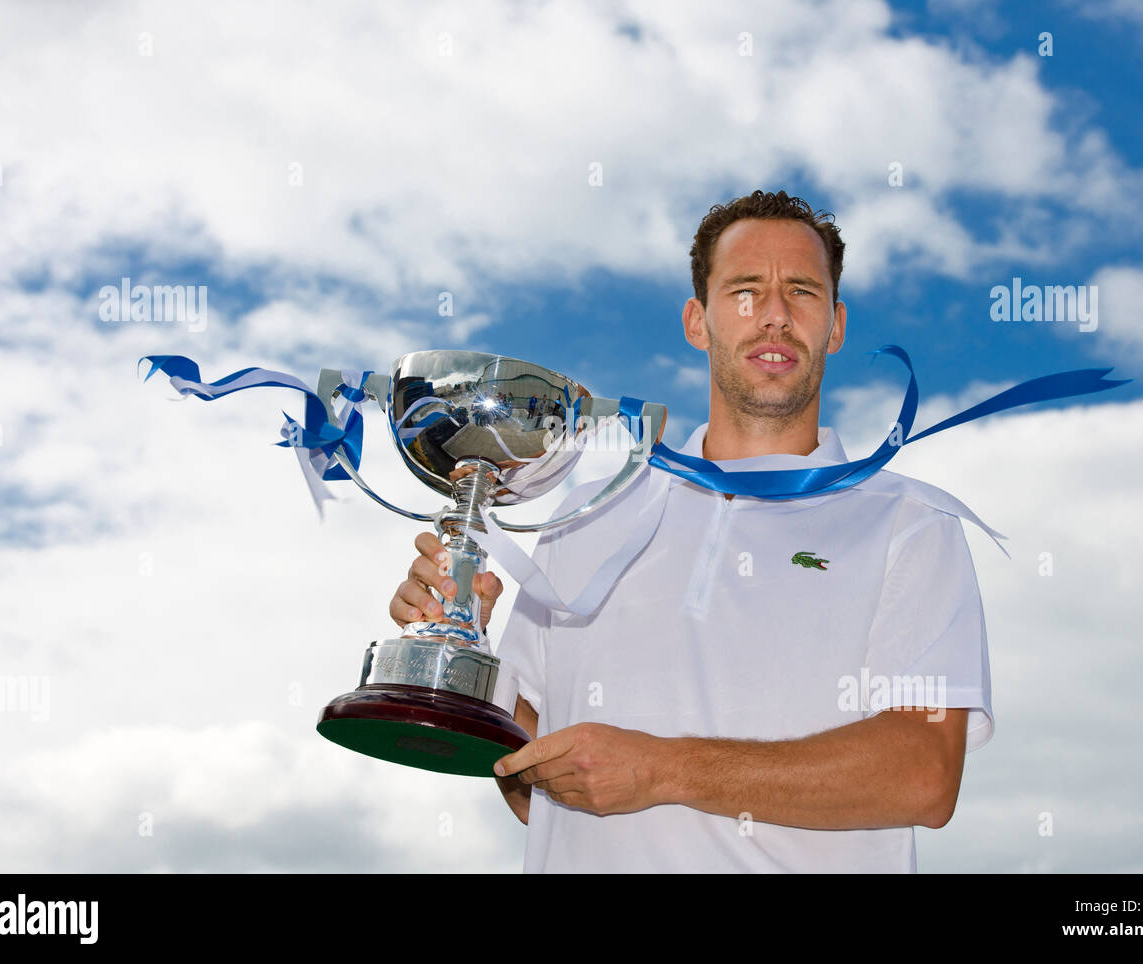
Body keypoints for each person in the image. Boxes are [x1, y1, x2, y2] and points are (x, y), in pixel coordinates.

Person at [388, 190, 992, 872]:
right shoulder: (586, 516)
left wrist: (666, 769)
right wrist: (462, 645)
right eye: (743, 290)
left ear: (836, 324)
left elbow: (923, 774)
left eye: (801, 291)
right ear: (697, 321)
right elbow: (531, 788)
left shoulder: (911, 523)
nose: (773, 315)